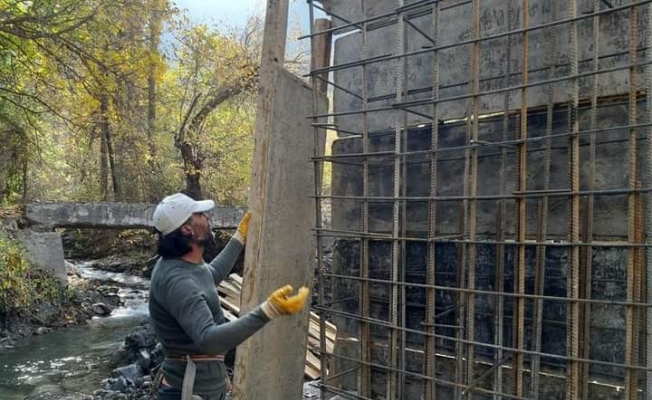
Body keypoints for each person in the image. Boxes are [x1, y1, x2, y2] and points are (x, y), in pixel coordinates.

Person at [148, 193, 309, 400]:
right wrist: (268, 311)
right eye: (200, 215)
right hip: (186, 393)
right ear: (187, 229)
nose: (207, 216)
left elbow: (209, 275)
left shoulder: (183, 264)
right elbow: (209, 340)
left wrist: (239, 238)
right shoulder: (177, 280)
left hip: (201, 389)